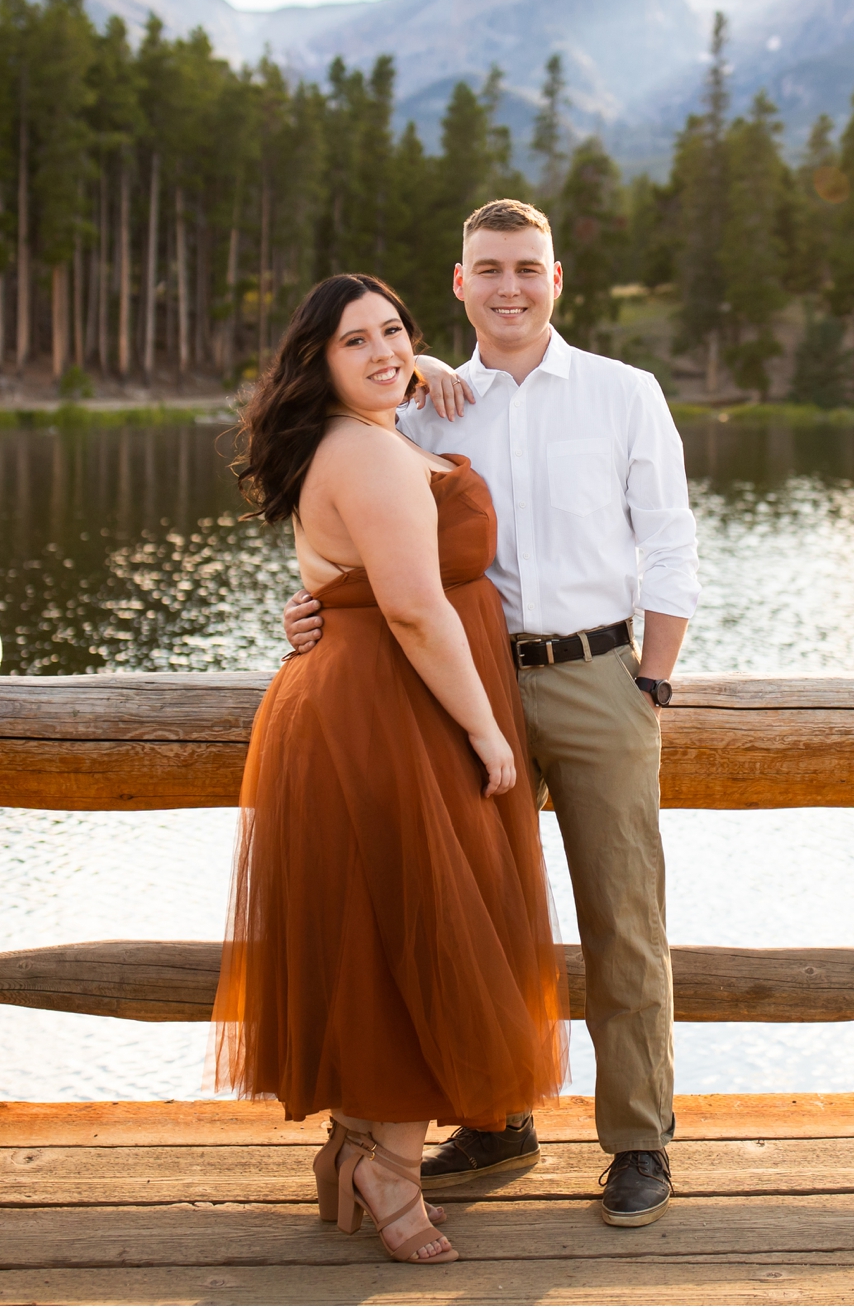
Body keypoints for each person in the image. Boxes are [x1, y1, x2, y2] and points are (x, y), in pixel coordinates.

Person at [283, 198, 696, 1228]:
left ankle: (639, 1137)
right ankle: (493, 1114)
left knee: (623, 912)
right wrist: (309, 604)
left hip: (599, 673)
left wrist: (653, 676)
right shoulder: (421, 403)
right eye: (487, 268)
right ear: (459, 284)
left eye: (528, 266)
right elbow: (362, 534)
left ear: (558, 280)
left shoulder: (623, 392)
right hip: (463, 687)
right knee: (485, 907)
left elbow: (674, 540)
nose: (509, 284)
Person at [214, 271, 564, 1266]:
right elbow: (412, 606)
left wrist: (424, 365)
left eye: (394, 331)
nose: (381, 352)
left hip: (377, 702)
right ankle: (392, 1175)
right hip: (391, 716)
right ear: (317, 362)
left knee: (383, 930)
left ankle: (364, 1149)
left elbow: (357, 581)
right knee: (417, 932)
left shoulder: (364, 433)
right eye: (353, 341)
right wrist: (491, 735)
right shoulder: (366, 455)